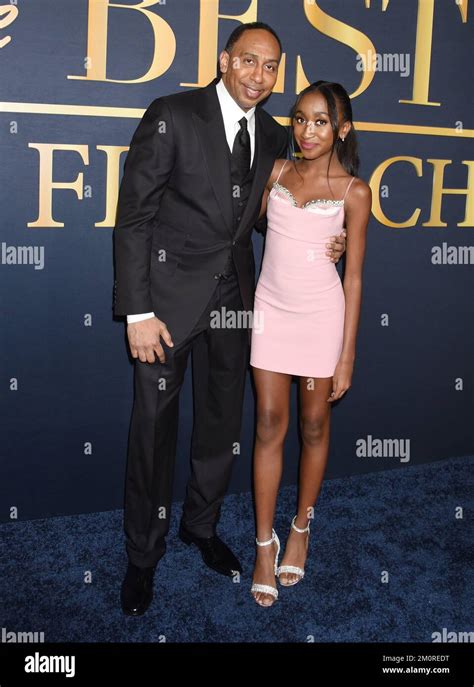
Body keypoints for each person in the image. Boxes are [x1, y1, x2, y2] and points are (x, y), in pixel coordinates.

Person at [113, 24, 347, 616]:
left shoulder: (273, 135)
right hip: (165, 305)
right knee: (153, 431)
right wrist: (137, 310)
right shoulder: (172, 115)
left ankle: (201, 525)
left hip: (239, 300)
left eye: (270, 67)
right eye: (248, 61)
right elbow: (134, 217)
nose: (258, 76)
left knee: (221, 423)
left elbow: (270, 213)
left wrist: (331, 235)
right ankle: (143, 556)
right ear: (225, 61)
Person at [249, 81, 371, 607]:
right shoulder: (275, 172)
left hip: (322, 318)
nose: (307, 130)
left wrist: (347, 354)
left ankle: (301, 526)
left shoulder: (354, 192)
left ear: (342, 129)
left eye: (321, 121)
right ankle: (263, 543)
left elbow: (355, 278)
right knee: (268, 423)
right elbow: (247, 223)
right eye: (300, 118)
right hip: (271, 312)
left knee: (314, 424)